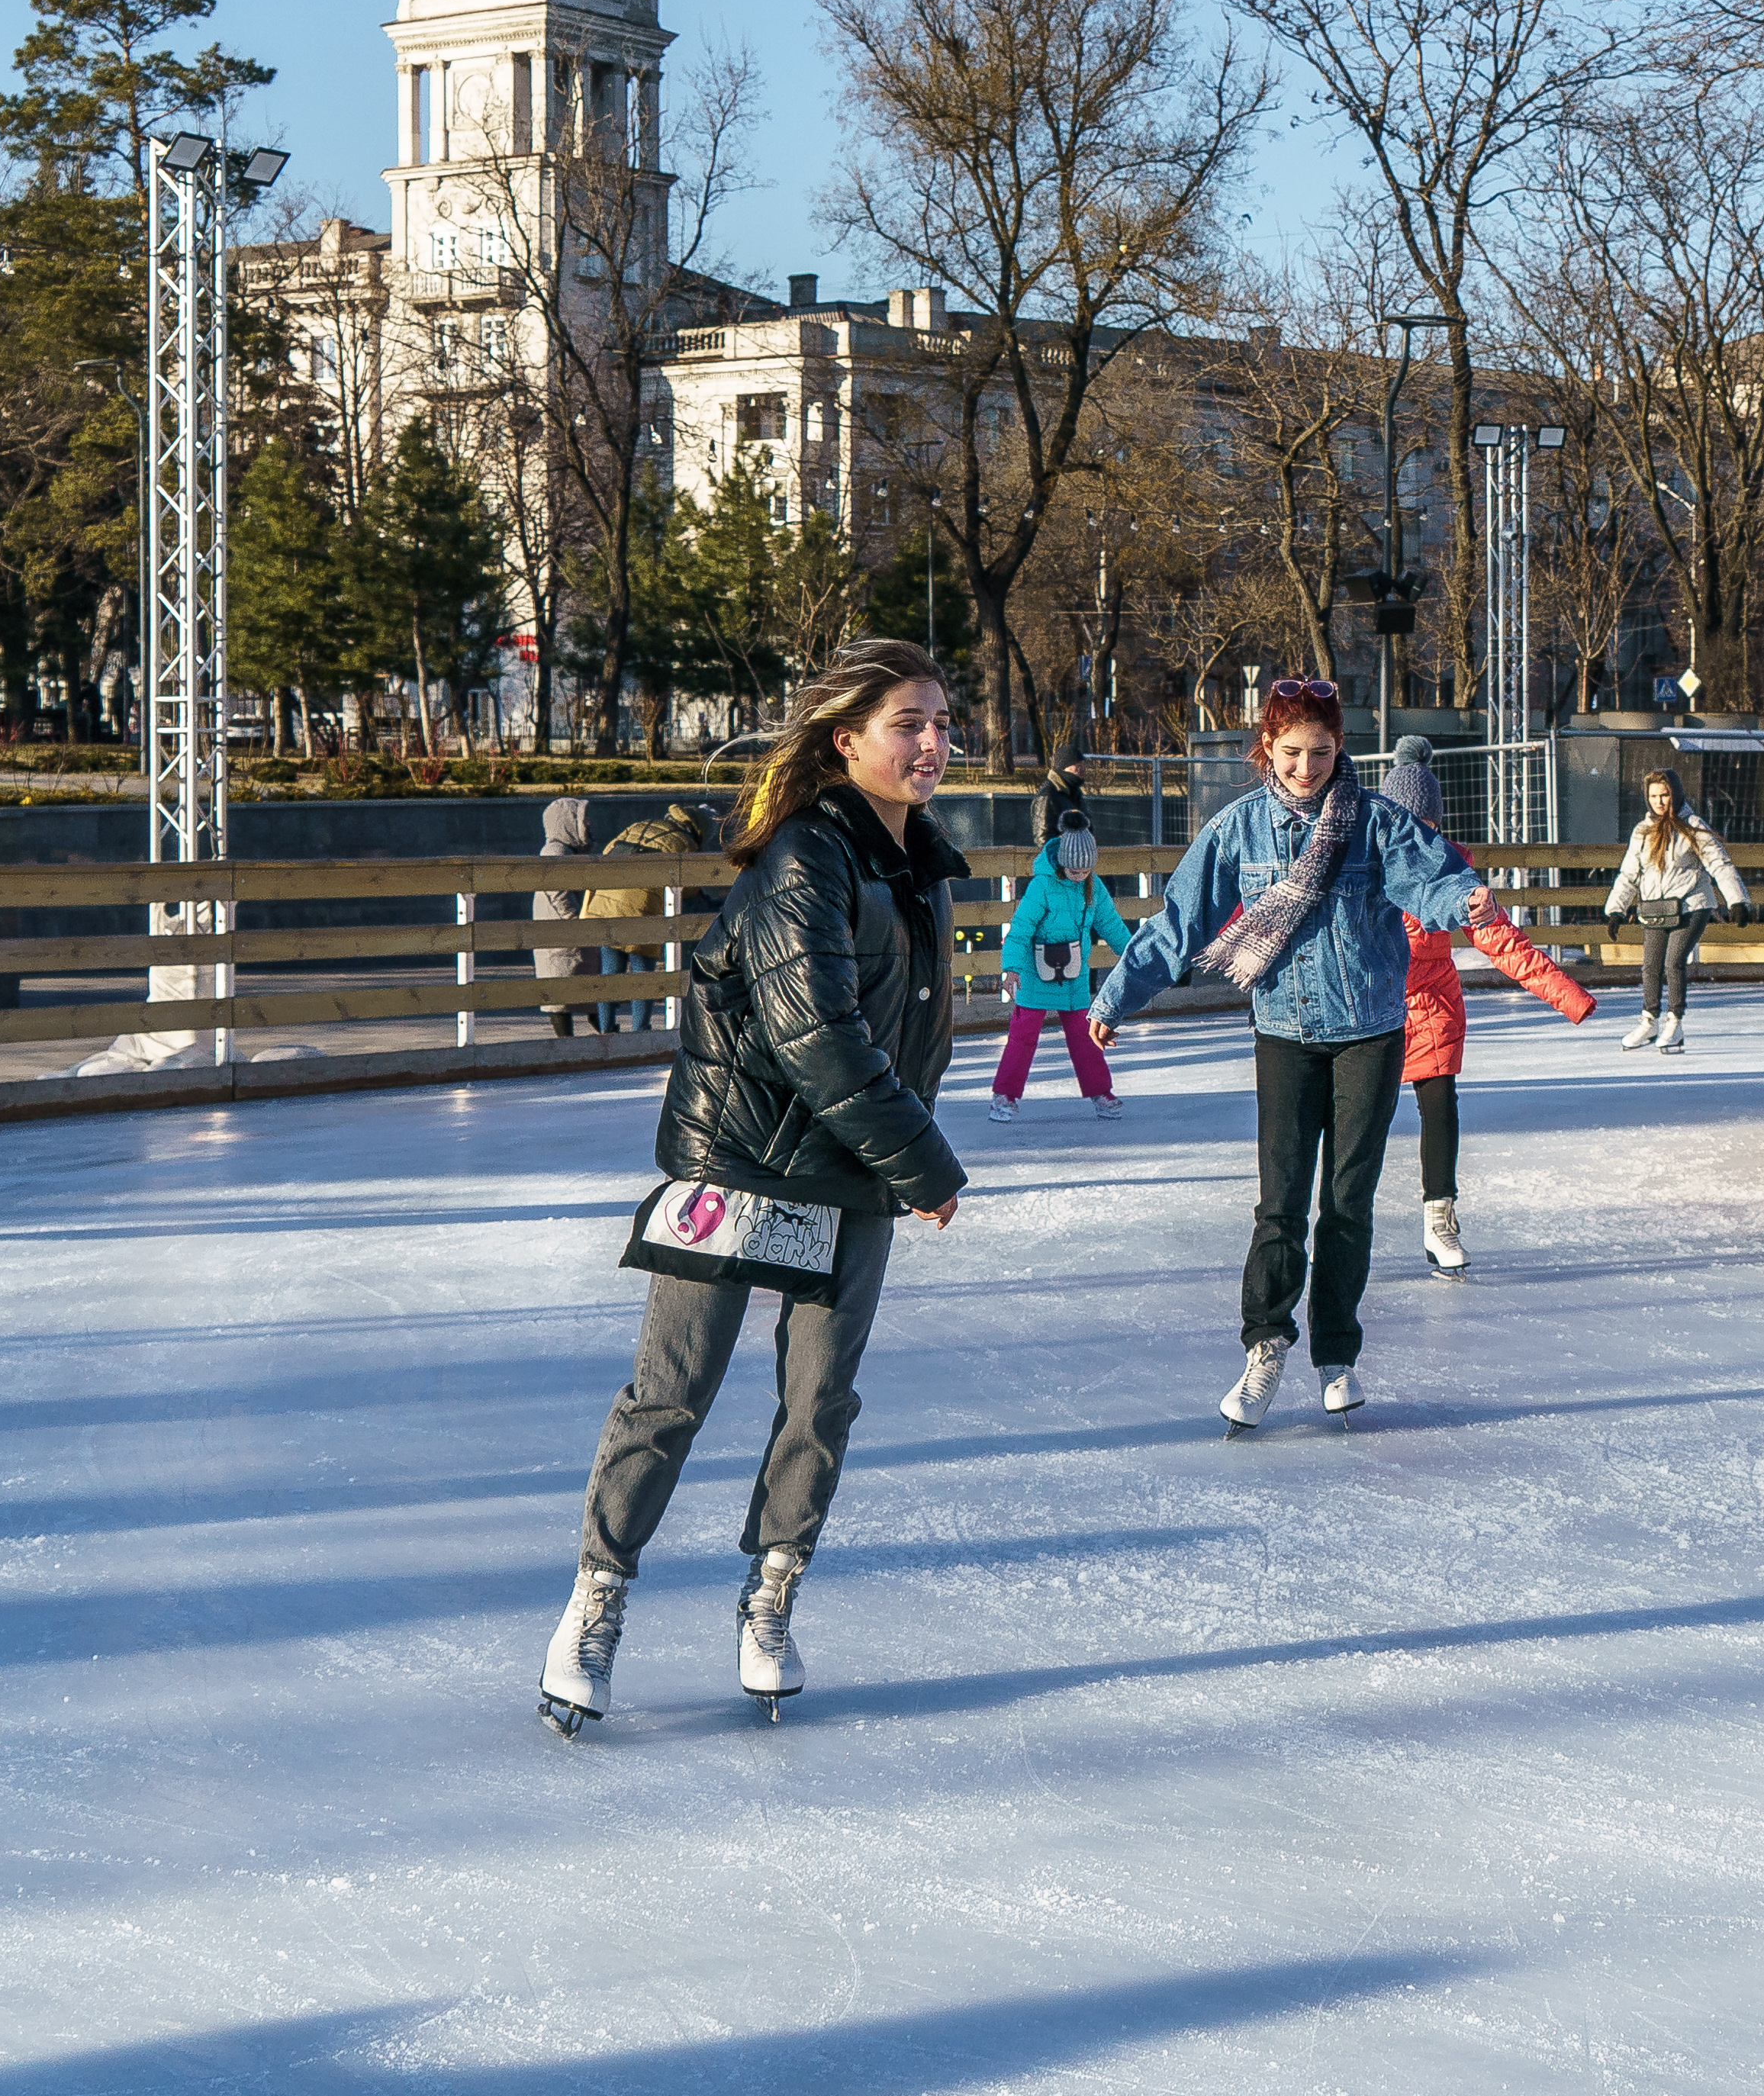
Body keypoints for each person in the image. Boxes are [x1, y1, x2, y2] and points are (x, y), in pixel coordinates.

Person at [538, 640, 968, 1737]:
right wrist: (922, 1159)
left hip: (854, 1167)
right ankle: (597, 1595)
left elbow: (907, 1030)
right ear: (845, 741)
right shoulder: (805, 862)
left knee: (821, 1400)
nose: (933, 741)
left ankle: (772, 1592)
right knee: (673, 1391)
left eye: (940, 720)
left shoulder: (918, 863)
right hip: (738, 1159)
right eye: (907, 723)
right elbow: (815, 1036)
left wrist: (893, 1153)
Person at [1089, 680, 1493, 1430]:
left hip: (1369, 1033)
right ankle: (1265, 1344)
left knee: (1344, 1203)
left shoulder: (1374, 823)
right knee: (1279, 1203)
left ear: (1339, 750)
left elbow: (1428, 879)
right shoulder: (1238, 830)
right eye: (1291, 752)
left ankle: (1336, 1354)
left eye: (1319, 751)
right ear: (1266, 751)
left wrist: (1463, 900)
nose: (1305, 766)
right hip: (1282, 1033)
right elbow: (1178, 922)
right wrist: (1116, 997)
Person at [1376, 736, 1595, 1274]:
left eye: (1423, 824)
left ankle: (1438, 1216)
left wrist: (1568, 995)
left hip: (1432, 1006)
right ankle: (1338, 1220)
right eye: (1403, 822)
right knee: (1358, 1117)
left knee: (1439, 1104)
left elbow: (1504, 942)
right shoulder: (1367, 869)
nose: (1415, 835)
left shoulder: (1456, 875)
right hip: (1372, 1004)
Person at [991, 817, 1131, 1119]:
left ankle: (1100, 1093)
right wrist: (1012, 968)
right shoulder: (1042, 886)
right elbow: (1021, 928)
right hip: (1034, 971)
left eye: (1085, 870)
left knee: (1085, 1033)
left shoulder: (1094, 888)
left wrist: (1133, 955)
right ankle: (1004, 1095)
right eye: (1074, 870)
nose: (1080, 876)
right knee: (1023, 1034)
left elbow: (1112, 925)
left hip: (1074, 974)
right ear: (1062, 864)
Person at [1604, 768, 1749, 1054]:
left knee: (1673, 962)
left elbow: (1720, 864)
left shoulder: (1693, 827)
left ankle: (1675, 1022)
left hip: (1692, 905)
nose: (1659, 802)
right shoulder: (1642, 831)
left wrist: (1737, 901)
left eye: (1665, 795)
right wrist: (1616, 910)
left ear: (1676, 794)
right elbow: (1628, 874)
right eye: (1654, 796)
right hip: (1656, 908)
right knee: (1650, 965)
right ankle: (1649, 1021)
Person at [583, 803, 712, 1033]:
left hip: (606, 905)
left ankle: (606, 1030)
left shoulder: (639, 826)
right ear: (697, 830)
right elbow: (689, 887)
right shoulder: (685, 843)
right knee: (643, 977)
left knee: (610, 973)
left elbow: (608, 853)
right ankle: (640, 1030)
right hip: (642, 912)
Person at [535, 797, 593, 1035]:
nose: (588, 824)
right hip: (561, 935)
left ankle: (595, 1034)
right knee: (561, 989)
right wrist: (574, 921)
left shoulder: (567, 852)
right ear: (568, 824)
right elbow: (559, 893)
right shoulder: (555, 853)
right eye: (582, 820)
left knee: (579, 986)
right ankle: (567, 1042)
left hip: (566, 934)